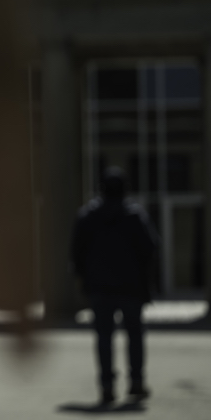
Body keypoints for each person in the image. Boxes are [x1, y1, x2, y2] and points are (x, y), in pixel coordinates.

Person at [72, 167, 159, 406]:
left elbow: (76, 252)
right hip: (131, 286)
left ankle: (107, 385)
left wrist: (83, 278)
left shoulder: (88, 216)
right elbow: (149, 249)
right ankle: (137, 381)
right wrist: (148, 281)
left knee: (103, 337)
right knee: (135, 335)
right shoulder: (134, 215)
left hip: (99, 287)